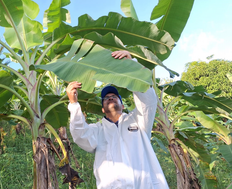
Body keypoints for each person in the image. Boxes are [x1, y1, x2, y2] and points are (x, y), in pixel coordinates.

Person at [66, 51, 169, 189]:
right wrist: (73, 104)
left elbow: (148, 102)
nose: (110, 97)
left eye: (114, 96)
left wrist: (132, 67)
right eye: (106, 97)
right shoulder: (97, 130)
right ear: (102, 109)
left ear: (123, 105)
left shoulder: (138, 120)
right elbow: (80, 135)